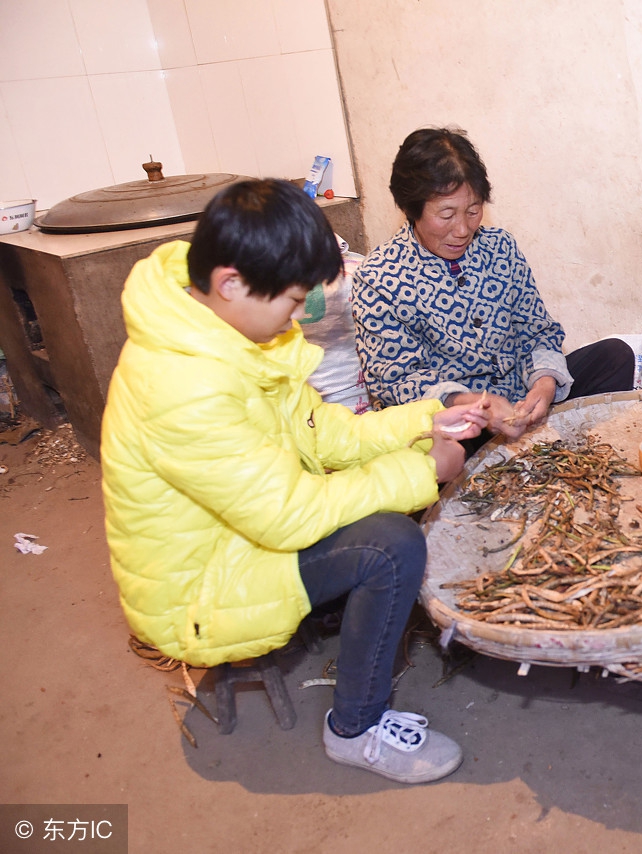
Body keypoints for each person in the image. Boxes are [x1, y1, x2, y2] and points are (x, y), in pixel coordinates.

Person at [100, 179, 490, 785]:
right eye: (290, 299)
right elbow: (289, 516)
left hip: (238, 532)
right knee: (390, 546)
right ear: (231, 282)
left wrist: (425, 417)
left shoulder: (224, 331)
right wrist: (422, 469)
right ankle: (355, 730)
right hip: (201, 582)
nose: (296, 313)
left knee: (379, 502)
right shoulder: (183, 387)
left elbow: (325, 435)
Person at [352, 127, 636, 448]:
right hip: (461, 420)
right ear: (410, 209)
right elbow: (395, 382)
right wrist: (475, 404)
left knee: (616, 357)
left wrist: (543, 384)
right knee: (439, 454)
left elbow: (537, 332)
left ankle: (544, 443)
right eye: (446, 214)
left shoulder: (500, 248)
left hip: (520, 399)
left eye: (473, 211)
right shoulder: (378, 278)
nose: (462, 229)